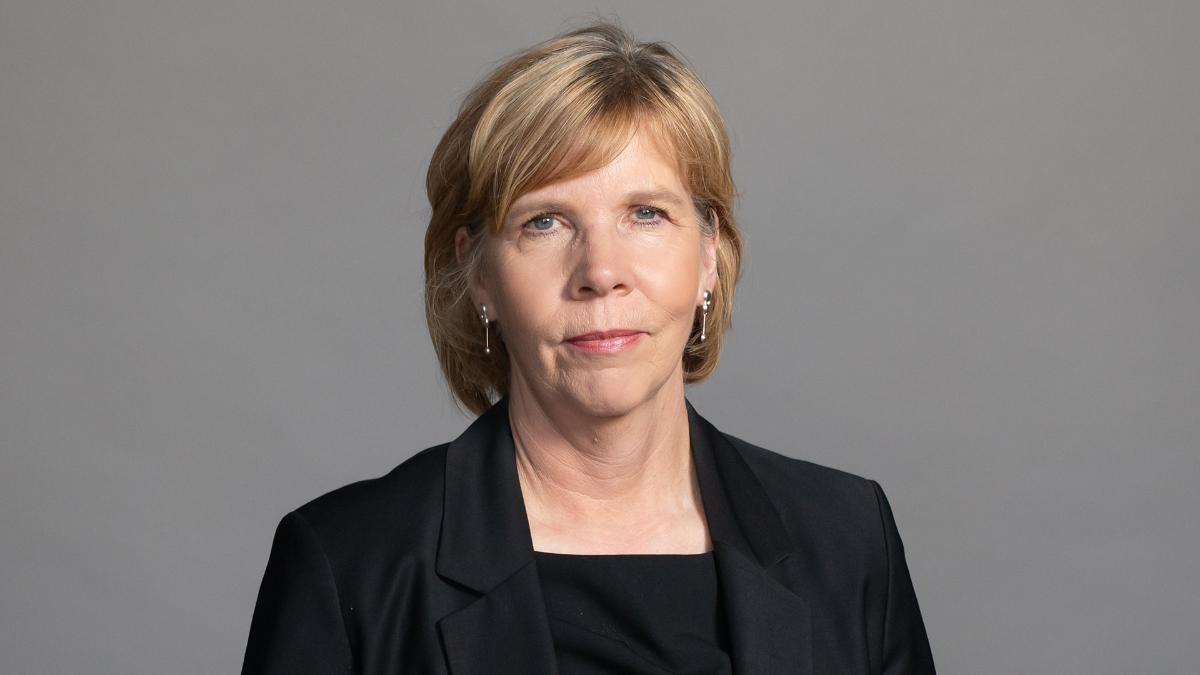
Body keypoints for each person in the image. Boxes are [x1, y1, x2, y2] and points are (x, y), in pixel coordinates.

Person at [241, 20, 936, 675]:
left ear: (709, 254)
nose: (600, 271)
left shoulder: (850, 541)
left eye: (646, 214)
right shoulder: (348, 563)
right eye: (544, 221)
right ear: (478, 273)